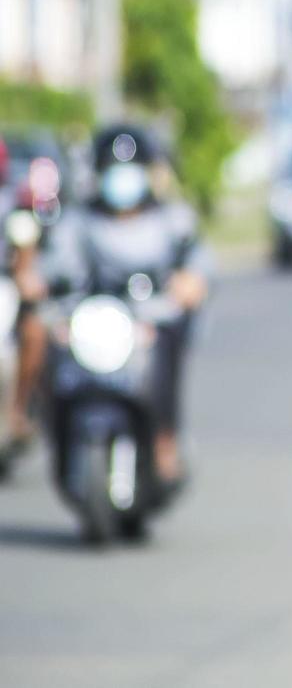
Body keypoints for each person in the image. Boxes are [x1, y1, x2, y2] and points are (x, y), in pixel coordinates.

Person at [32, 125, 209, 483]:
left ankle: (164, 437)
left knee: (167, 341)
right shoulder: (81, 221)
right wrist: (41, 285)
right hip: (95, 320)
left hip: (150, 320)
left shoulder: (170, 219)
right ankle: (48, 429)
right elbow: (54, 267)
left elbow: (198, 262)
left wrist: (192, 281)